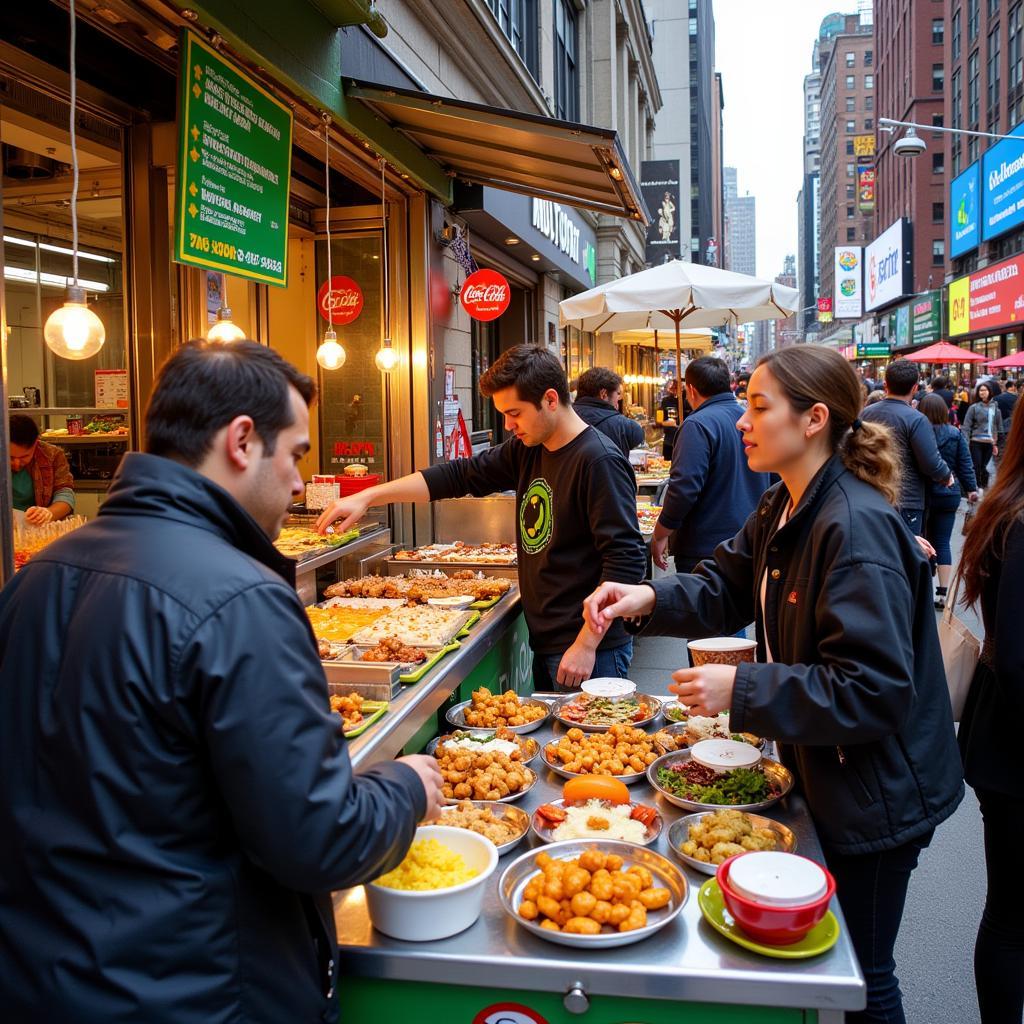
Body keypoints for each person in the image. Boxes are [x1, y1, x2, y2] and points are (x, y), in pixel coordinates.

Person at [0, 341, 443, 1023]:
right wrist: (407, 785)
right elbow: (320, 840)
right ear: (241, 441)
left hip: (42, 982)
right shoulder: (241, 599)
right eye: (295, 453)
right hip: (198, 992)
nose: (300, 483)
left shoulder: (34, 579)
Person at [584, 345, 963, 1024]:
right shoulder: (783, 504)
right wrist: (643, 597)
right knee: (828, 968)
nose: (740, 422)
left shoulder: (854, 527)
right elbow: (721, 584)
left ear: (815, 418)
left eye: (759, 406)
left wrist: (743, 689)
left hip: (877, 791)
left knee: (863, 978)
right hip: (828, 768)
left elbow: (872, 688)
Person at [317, 344, 646, 690]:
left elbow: (625, 563)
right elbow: (458, 475)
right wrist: (369, 495)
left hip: (589, 650)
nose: (508, 425)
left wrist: (586, 644)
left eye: (515, 413)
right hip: (552, 641)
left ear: (550, 399)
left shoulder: (598, 461)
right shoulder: (528, 449)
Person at [957, 406, 1024, 1024]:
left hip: (1001, 747)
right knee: (1011, 915)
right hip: (1013, 751)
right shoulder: (1017, 522)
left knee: (1010, 912)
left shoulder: (1004, 512)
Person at [651, 356, 770, 573]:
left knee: (702, 606)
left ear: (691, 390)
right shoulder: (750, 418)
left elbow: (684, 487)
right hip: (751, 541)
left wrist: (661, 533)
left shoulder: (697, 425)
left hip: (705, 548)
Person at [861, 358, 952, 534]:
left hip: (870, 494)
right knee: (906, 555)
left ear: (885, 385)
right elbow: (931, 462)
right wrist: (946, 475)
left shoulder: (866, 413)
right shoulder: (916, 419)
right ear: (915, 388)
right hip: (906, 500)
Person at [918, 394, 977, 609]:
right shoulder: (955, 434)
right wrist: (971, 489)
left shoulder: (918, 433)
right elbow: (965, 464)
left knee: (922, 539)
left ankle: (922, 589)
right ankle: (943, 593)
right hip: (948, 494)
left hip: (922, 494)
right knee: (942, 541)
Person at [8, 413, 75, 524]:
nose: (16, 463)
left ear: (36, 444)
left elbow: (65, 492)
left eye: (24, 457)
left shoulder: (52, 455)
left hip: (39, 530)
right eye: (10, 457)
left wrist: (49, 513)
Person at [572, 366, 645, 457]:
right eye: (618, 394)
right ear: (603, 394)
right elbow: (638, 434)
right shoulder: (623, 426)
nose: (619, 399)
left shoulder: (566, 418)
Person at [961, 382, 1005, 494]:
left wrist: (997, 444)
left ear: (990, 392)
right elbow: (966, 426)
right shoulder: (973, 408)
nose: (982, 392)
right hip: (976, 441)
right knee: (977, 466)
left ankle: (984, 488)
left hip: (990, 442)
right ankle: (977, 488)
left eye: (985, 390)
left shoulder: (996, 409)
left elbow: (999, 428)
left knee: (985, 468)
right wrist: (965, 442)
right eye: (980, 390)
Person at [659, 378, 681, 459]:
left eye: (676, 388)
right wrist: (663, 423)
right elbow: (660, 421)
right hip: (669, 439)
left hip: (682, 440)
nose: (674, 391)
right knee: (667, 463)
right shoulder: (666, 401)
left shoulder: (685, 402)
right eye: (672, 388)